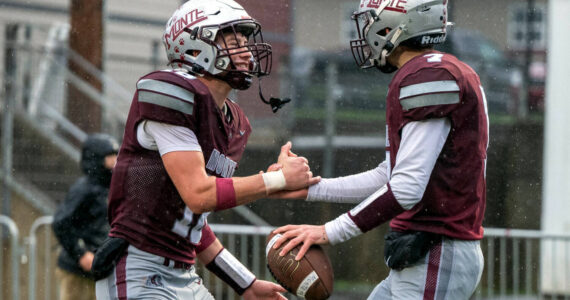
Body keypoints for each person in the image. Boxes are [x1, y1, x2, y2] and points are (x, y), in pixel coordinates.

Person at [94, 1, 319, 299]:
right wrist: (275, 181)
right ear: (195, 46)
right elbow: (199, 195)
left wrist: (246, 283)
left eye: (245, 42)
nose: (246, 51)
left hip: (184, 274)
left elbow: (193, 223)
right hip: (140, 269)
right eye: (233, 41)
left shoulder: (234, 121)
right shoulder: (170, 94)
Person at [271, 0, 488, 299]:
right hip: (424, 252)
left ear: (399, 23)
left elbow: (407, 187)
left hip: (436, 251)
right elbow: (389, 176)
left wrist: (329, 231)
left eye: (374, 22)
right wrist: (309, 190)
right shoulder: (435, 71)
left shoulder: (428, 77)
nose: (370, 31)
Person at [52, 133, 119, 300]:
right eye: (110, 157)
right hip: (78, 272)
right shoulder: (84, 189)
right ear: (96, 160)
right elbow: (61, 223)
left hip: (102, 270)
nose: (115, 162)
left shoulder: (112, 187)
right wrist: (80, 253)